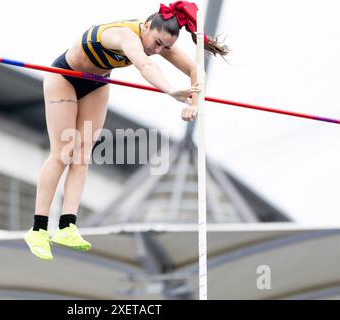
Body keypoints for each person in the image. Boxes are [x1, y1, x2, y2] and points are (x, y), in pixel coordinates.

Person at [24, 1, 229, 260]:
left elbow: (195, 70)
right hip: (64, 77)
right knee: (63, 152)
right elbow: (145, 66)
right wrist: (169, 90)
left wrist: (194, 103)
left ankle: (67, 226)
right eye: (157, 43)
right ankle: (38, 229)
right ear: (146, 26)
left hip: (97, 83)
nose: (159, 50)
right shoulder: (125, 35)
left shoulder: (156, 41)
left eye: (165, 47)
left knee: (83, 155)